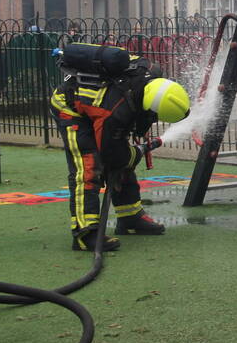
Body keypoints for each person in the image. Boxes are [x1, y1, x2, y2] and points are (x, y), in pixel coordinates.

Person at [49, 51, 191, 251]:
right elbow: (113, 155)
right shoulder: (116, 112)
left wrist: (127, 153)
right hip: (70, 108)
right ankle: (85, 234)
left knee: (121, 157)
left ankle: (130, 217)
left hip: (97, 107)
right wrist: (134, 154)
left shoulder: (150, 75)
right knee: (88, 167)